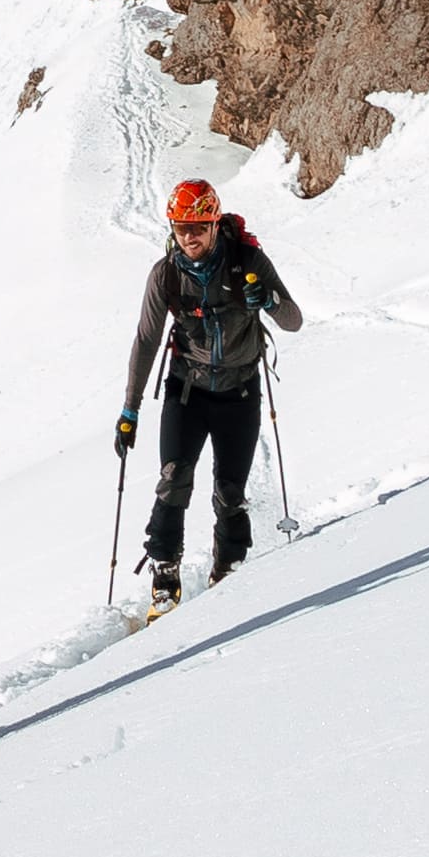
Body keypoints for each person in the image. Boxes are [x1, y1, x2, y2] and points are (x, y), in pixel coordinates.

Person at [114, 172, 300, 608]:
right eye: (182, 227)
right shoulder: (166, 275)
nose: (190, 237)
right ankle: (165, 573)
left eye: (198, 227)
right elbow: (146, 340)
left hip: (239, 392)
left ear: (215, 224)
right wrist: (130, 410)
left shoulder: (247, 262)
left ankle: (228, 570)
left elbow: (293, 319)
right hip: (188, 391)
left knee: (230, 491)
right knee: (173, 479)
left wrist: (268, 301)